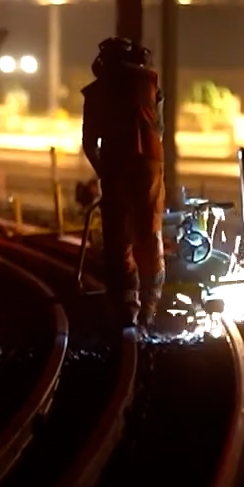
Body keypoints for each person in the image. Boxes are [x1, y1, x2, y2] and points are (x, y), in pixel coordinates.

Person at [80, 36, 166, 327]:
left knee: (118, 236)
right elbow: (160, 129)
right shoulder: (150, 84)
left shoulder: (97, 91)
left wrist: (104, 171)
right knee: (149, 231)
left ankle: (127, 306)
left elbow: (89, 143)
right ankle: (150, 305)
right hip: (150, 164)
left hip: (116, 163)